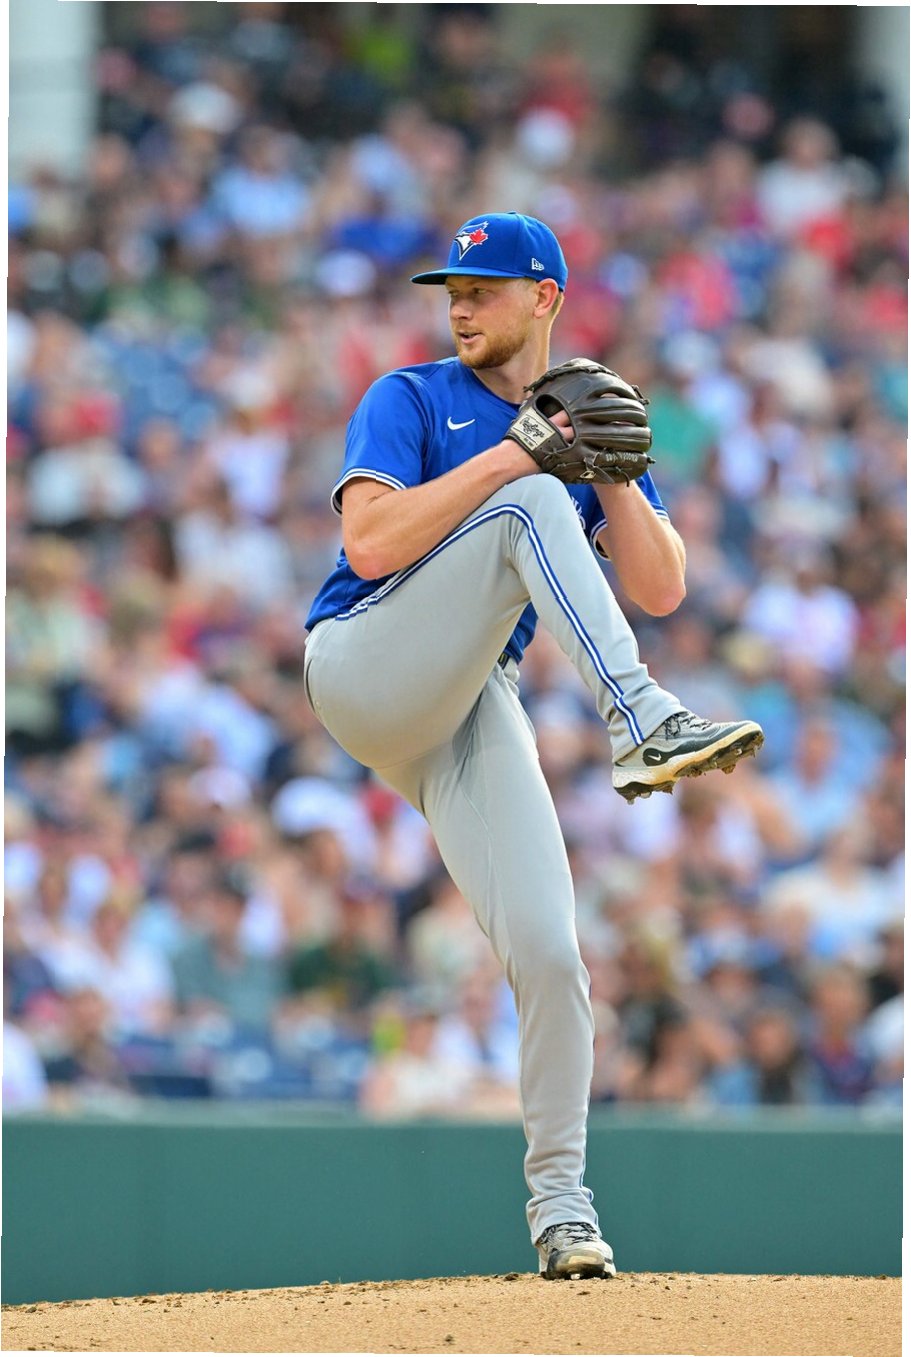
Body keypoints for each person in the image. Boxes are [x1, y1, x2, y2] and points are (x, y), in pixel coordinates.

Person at [303, 211, 763, 1280]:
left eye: (483, 288)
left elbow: (660, 586)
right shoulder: (411, 396)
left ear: (544, 297)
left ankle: (561, 1208)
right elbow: (366, 543)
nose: (460, 306)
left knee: (553, 956)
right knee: (523, 500)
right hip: (364, 660)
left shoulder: (570, 413)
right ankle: (641, 718)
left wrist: (610, 472)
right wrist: (522, 456)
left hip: (466, 699)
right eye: (453, 291)